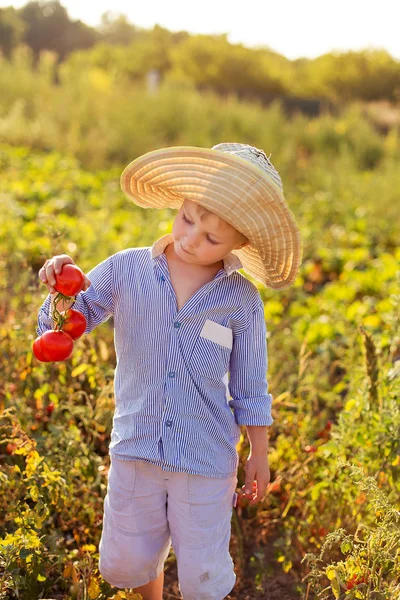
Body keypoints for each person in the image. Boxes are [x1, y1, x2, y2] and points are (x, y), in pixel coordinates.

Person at [37, 142, 302, 600]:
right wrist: (61, 284)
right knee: (128, 557)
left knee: (203, 573)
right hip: (136, 445)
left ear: (241, 243)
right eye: (187, 218)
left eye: (212, 238)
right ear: (180, 204)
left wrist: (259, 450)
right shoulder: (127, 269)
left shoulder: (240, 301)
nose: (191, 238)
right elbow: (65, 322)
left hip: (205, 456)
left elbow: (250, 385)